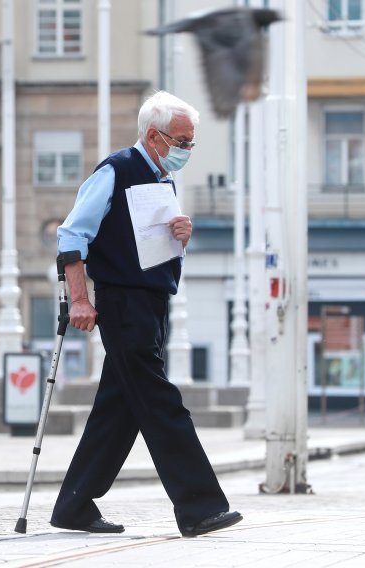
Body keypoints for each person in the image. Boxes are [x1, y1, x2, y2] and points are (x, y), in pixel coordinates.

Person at [50, 91, 242, 538]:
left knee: (118, 410)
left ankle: (74, 506)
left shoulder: (162, 179)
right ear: (153, 136)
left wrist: (182, 233)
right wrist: (79, 299)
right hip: (123, 305)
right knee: (161, 404)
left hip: (152, 304)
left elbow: (148, 245)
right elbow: (72, 235)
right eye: (181, 141)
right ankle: (199, 507)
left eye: (191, 143)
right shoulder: (116, 170)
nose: (186, 151)